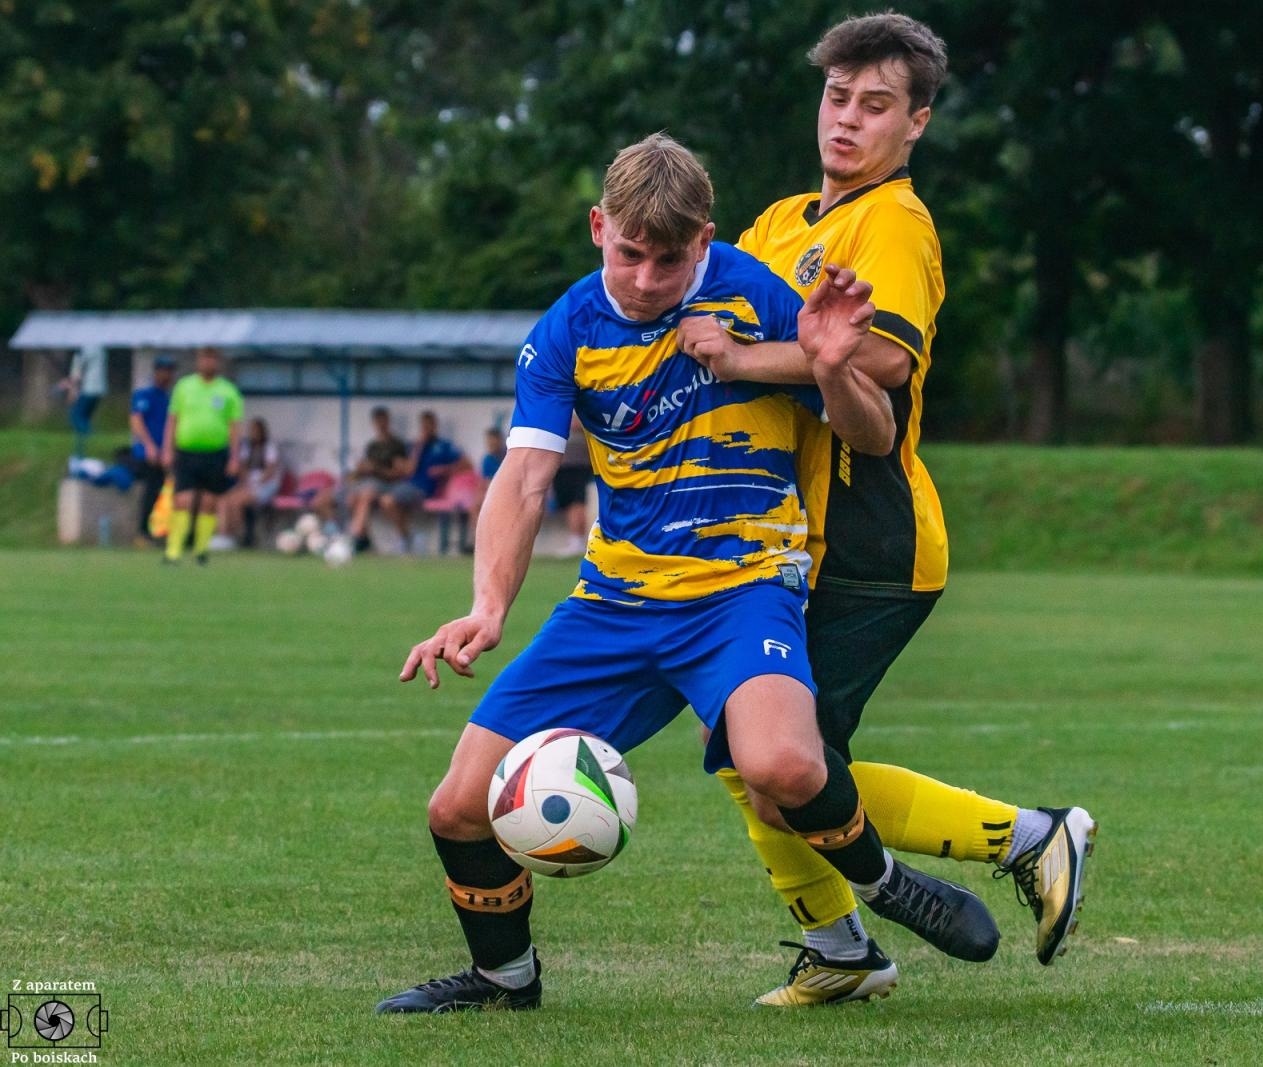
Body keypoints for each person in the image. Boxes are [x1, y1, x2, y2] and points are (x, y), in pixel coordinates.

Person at [376, 134, 997, 1015]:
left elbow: (872, 434)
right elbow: (523, 476)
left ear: (703, 241)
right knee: (459, 807)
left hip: (743, 591)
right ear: (599, 229)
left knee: (784, 764)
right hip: (614, 603)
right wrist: (487, 605)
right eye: (629, 253)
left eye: (670, 260)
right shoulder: (566, 330)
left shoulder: (756, 294)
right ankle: (502, 979)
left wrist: (828, 363)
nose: (645, 278)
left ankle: (890, 884)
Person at [677, 13, 1095, 1004]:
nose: (848, 121)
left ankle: (1024, 838)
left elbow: (879, 359)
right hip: (779, 537)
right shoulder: (778, 223)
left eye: (875, 106)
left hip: (869, 534)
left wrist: (739, 356)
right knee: (764, 763)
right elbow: (698, 333)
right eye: (836, 98)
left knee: (782, 764)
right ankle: (843, 945)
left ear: (916, 124)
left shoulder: (892, 220)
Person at [161, 347, 243, 564]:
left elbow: (234, 426)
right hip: (187, 452)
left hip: (215, 453)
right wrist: (166, 449)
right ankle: (174, 551)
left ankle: (200, 550)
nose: (208, 363)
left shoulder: (228, 391)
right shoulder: (184, 387)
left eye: (212, 359)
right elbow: (173, 419)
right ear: (198, 361)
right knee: (183, 500)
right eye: (204, 358)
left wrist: (235, 458)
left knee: (208, 502)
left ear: (217, 363)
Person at [375, 410, 469, 553]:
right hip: (409, 486)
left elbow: (466, 464)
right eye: (424, 426)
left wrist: (445, 469)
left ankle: (405, 538)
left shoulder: (443, 445)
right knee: (387, 501)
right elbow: (409, 470)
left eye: (429, 425)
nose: (426, 429)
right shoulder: (415, 446)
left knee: (388, 500)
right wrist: (418, 448)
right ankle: (406, 537)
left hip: (425, 489)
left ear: (435, 425)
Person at [346, 406, 410, 552]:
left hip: (388, 484)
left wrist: (376, 469)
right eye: (377, 421)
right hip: (369, 483)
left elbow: (399, 472)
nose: (380, 424)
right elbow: (362, 470)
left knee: (367, 494)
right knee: (352, 497)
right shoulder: (372, 446)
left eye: (383, 420)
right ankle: (363, 538)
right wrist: (360, 471)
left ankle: (354, 537)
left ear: (388, 421)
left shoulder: (396, 445)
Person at [213, 417, 283, 549]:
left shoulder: (269, 447)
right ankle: (223, 534)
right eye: (251, 430)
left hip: (265, 485)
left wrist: (256, 481)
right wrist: (245, 479)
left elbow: (271, 470)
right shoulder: (246, 447)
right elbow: (242, 467)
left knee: (237, 502)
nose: (253, 433)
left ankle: (235, 535)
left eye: (256, 430)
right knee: (224, 500)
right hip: (248, 484)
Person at [129, 355, 176, 542]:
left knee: (165, 491)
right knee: (152, 488)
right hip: (146, 454)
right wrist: (149, 446)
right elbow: (136, 420)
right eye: (165, 371)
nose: (168, 376)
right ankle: (143, 531)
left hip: (164, 453)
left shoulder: (169, 398)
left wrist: (168, 450)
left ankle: (160, 529)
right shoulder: (145, 395)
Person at [549, 413, 594, 557]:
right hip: (563, 468)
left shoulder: (584, 411)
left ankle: (578, 541)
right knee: (570, 505)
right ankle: (576, 540)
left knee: (577, 504)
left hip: (578, 467)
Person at [463, 426, 506, 554]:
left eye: (493, 440)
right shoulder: (487, 459)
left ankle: (492, 543)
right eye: (488, 441)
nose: (490, 444)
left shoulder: (508, 457)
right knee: (475, 507)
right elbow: (483, 481)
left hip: (505, 492)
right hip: (491, 493)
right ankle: (479, 542)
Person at [60, 344, 108, 457]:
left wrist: (66, 385)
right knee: (84, 417)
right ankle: (81, 447)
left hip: (88, 388)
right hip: (99, 388)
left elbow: (77, 375)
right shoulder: (99, 348)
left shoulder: (83, 349)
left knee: (76, 416)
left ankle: (93, 439)